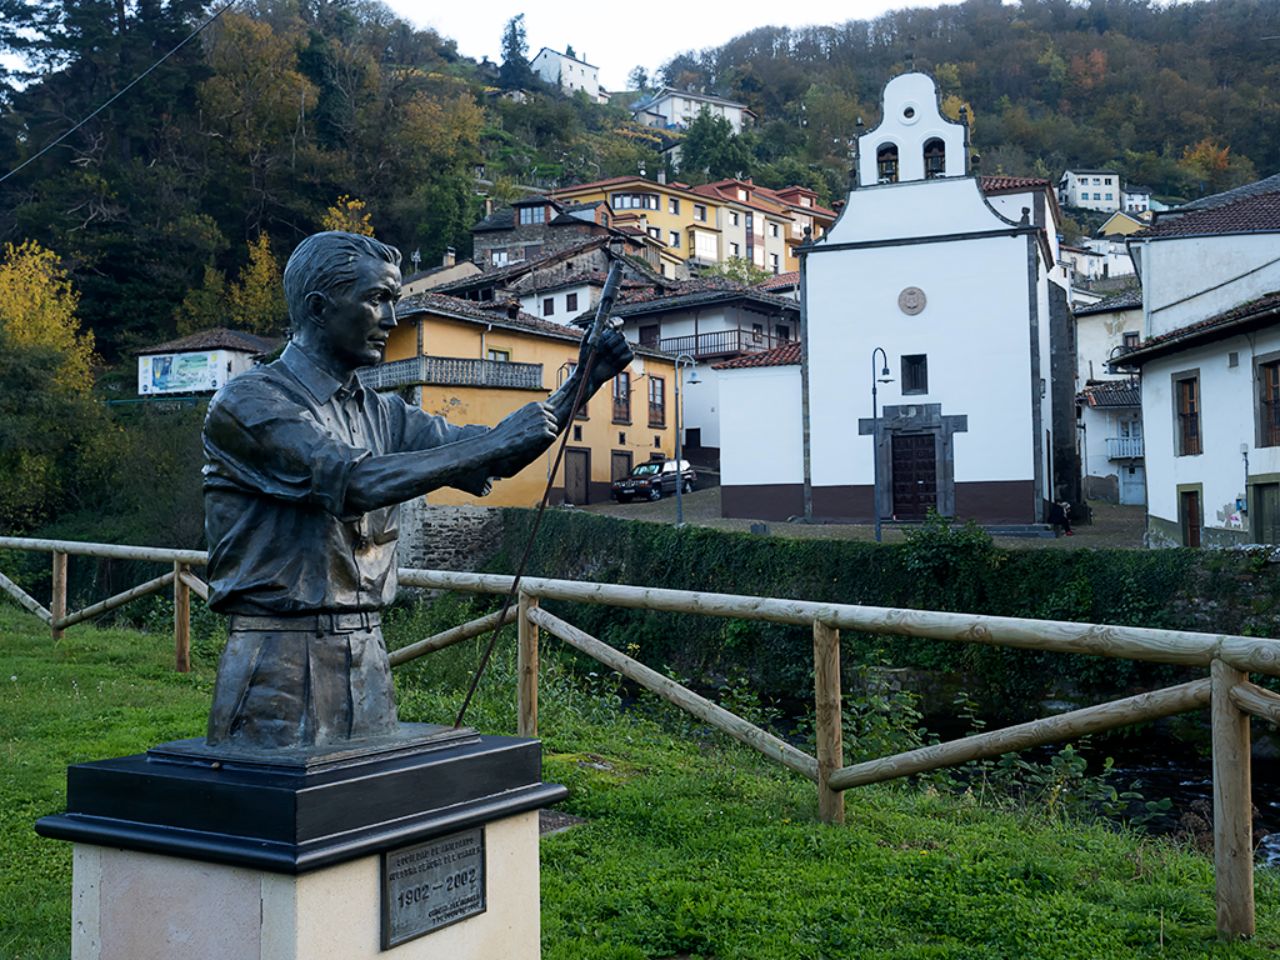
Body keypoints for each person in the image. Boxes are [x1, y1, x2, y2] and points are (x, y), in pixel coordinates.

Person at [201, 231, 632, 750]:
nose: (392, 320)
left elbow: (492, 455)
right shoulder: (249, 402)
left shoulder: (380, 411)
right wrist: (490, 445)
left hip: (367, 656)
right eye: (377, 299)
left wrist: (583, 382)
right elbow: (353, 481)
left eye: (397, 301)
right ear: (318, 308)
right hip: (277, 666)